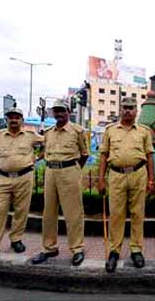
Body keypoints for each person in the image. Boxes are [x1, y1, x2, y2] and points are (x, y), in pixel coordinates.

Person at [0, 107, 44, 266]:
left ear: (22, 120)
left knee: (21, 211)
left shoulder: (30, 135)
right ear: (6, 119)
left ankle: (16, 239)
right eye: (11, 117)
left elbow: (47, 143)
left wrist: (36, 158)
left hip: (24, 177)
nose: (14, 120)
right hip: (3, 179)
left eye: (17, 117)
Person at [98, 97, 155, 273]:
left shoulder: (144, 131)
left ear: (136, 111)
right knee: (116, 215)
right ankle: (114, 251)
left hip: (139, 174)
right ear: (120, 110)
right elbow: (103, 155)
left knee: (138, 214)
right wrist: (101, 179)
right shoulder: (110, 131)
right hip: (116, 175)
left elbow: (150, 156)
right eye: (125, 108)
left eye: (131, 108)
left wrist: (152, 180)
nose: (128, 111)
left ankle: (136, 250)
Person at [31, 99, 88, 266]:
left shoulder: (77, 131)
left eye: (62, 111)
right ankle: (49, 248)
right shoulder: (48, 132)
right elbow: (43, 153)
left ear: (68, 112)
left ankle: (77, 248)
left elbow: (84, 154)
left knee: (73, 213)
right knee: (48, 213)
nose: (59, 114)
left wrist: (74, 170)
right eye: (56, 111)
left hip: (69, 171)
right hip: (50, 172)